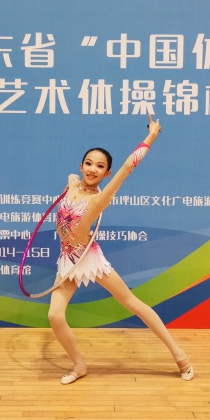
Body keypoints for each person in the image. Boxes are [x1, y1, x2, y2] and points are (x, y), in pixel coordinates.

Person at [48, 114, 193, 384]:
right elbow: (72, 181)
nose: (92, 169)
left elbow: (127, 167)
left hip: (88, 257)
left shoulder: (100, 200)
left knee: (132, 303)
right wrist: (74, 182)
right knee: (55, 316)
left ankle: (180, 356)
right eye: (88, 163)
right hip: (67, 260)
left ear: (107, 173)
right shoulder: (71, 183)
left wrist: (151, 136)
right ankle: (79, 365)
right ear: (81, 165)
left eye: (100, 166)